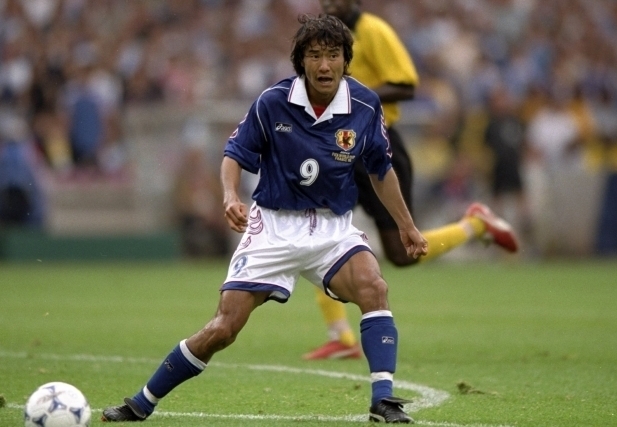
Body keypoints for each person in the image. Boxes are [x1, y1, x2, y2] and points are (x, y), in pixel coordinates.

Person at [102, 14, 426, 424]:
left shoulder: (364, 105)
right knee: (224, 328)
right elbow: (235, 154)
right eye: (314, 56)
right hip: (272, 227)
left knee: (373, 287)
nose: (324, 65)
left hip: (331, 228)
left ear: (347, 60)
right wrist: (228, 196)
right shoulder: (273, 101)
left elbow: (381, 171)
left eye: (333, 55)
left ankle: (383, 400)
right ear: (300, 61)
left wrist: (406, 225)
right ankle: (140, 403)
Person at [303, 0, 520, 360]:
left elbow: (406, 84)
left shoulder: (374, 31)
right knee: (315, 226)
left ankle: (474, 225)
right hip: (340, 143)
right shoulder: (328, 40)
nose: (329, 4)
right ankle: (340, 337)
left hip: (378, 142)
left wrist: (351, 95)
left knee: (402, 255)